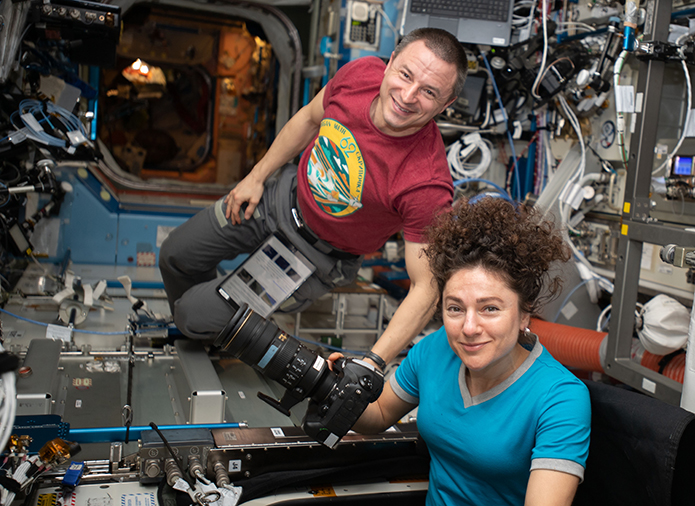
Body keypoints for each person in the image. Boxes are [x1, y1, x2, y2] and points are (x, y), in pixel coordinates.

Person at [159, 28, 468, 369]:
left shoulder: (426, 182)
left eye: (429, 92)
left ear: (446, 104)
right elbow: (308, 118)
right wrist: (256, 177)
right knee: (175, 255)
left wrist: (373, 361)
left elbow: (426, 287)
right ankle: (218, 327)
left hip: (311, 256)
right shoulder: (360, 73)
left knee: (190, 315)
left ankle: (214, 323)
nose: (408, 96)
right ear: (390, 61)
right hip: (278, 199)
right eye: (405, 74)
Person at [344, 197, 591, 506]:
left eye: (489, 308)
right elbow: (378, 415)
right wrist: (330, 389)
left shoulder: (559, 397)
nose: (469, 327)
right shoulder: (435, 349)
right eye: (455, 308)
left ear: (524, 314)